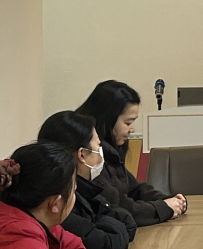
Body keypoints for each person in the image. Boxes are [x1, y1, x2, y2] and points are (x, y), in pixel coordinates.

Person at [77, 80, 186, 225]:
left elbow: (133, 188)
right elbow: (117, 207)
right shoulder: (90, 155)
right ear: (107, 119)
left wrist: (169, 200)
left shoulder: (111, 149)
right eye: (128, 123)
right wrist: (163, 208)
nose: (132, 129)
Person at [38, 110, 138, 249]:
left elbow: (128, 221)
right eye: (98, 145)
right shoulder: (58, 197)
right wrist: (106, 224)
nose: (100, 153)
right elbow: (102, 244)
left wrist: (102, 223)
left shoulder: (86, 187)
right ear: (82, 154)